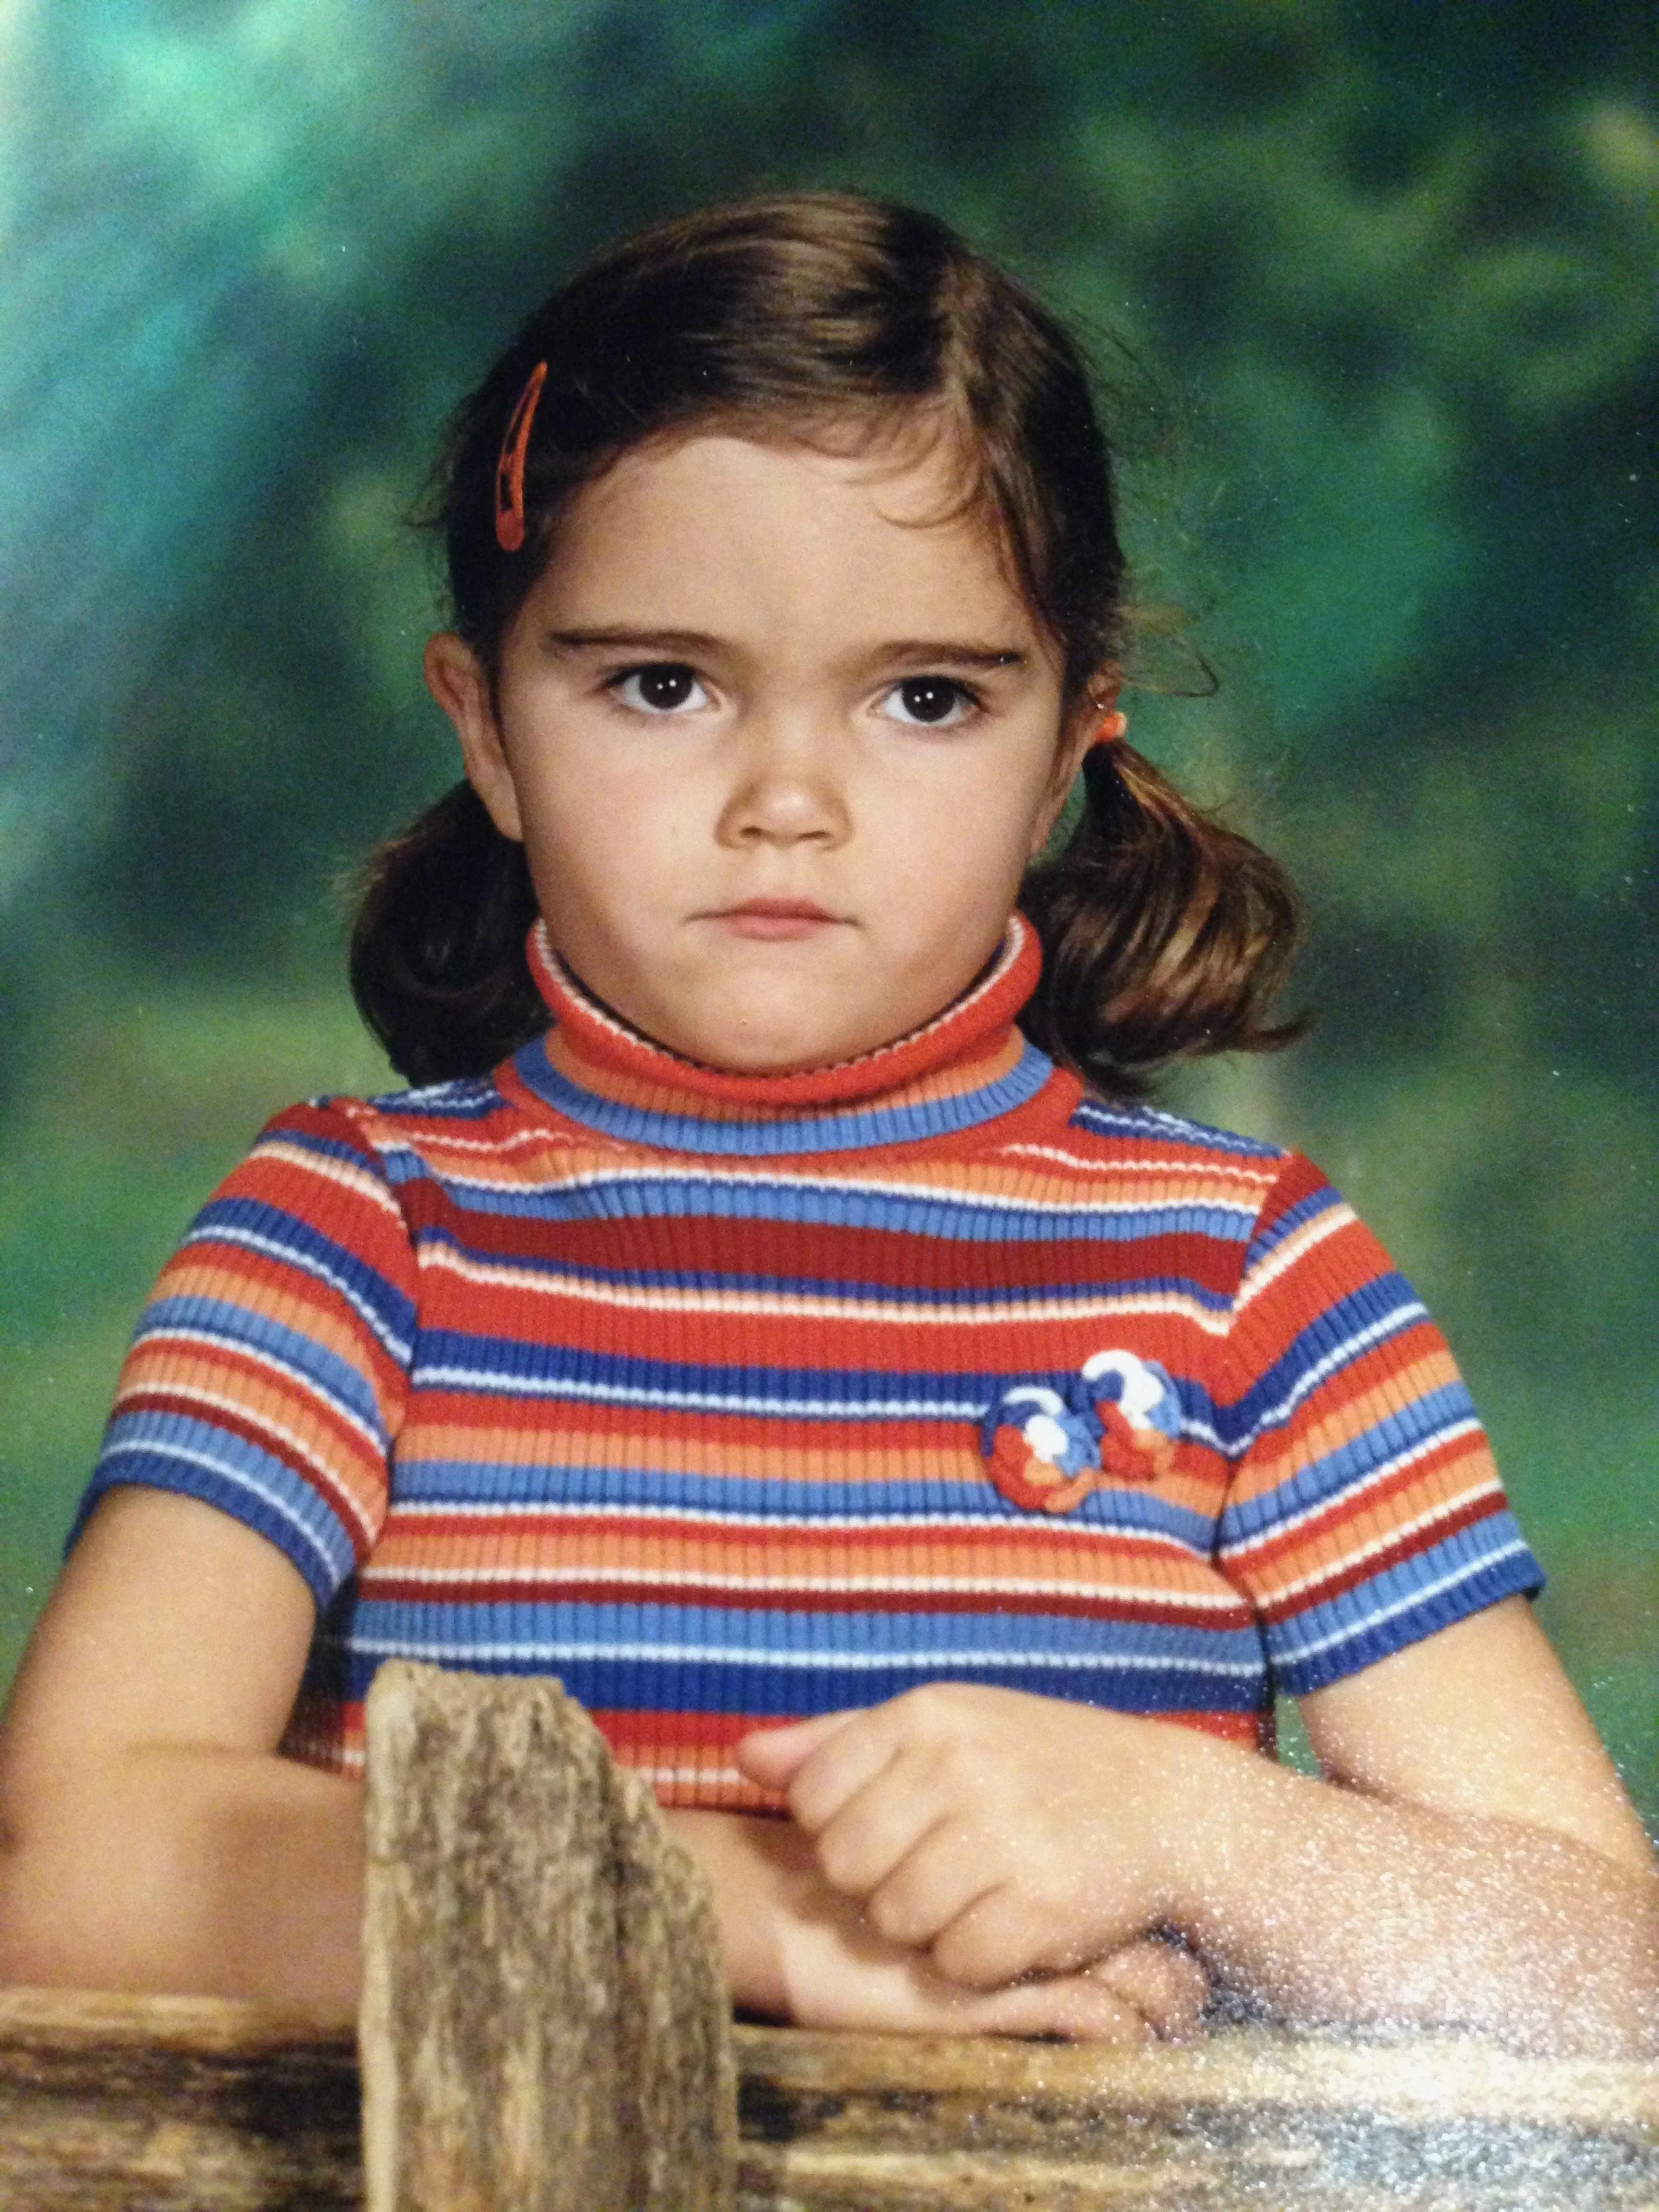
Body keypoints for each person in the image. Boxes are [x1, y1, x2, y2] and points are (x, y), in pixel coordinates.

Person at [1, 194, 1653, 2053]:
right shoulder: (355, 1235)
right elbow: (68, 1861)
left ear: (1069, 749)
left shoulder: (1244, 1281)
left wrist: (1189, 1825)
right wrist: (734, 1915)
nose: (786, 797)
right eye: (661, 683)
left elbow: (1613, 1984)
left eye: (927, 698)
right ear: (485, 728)